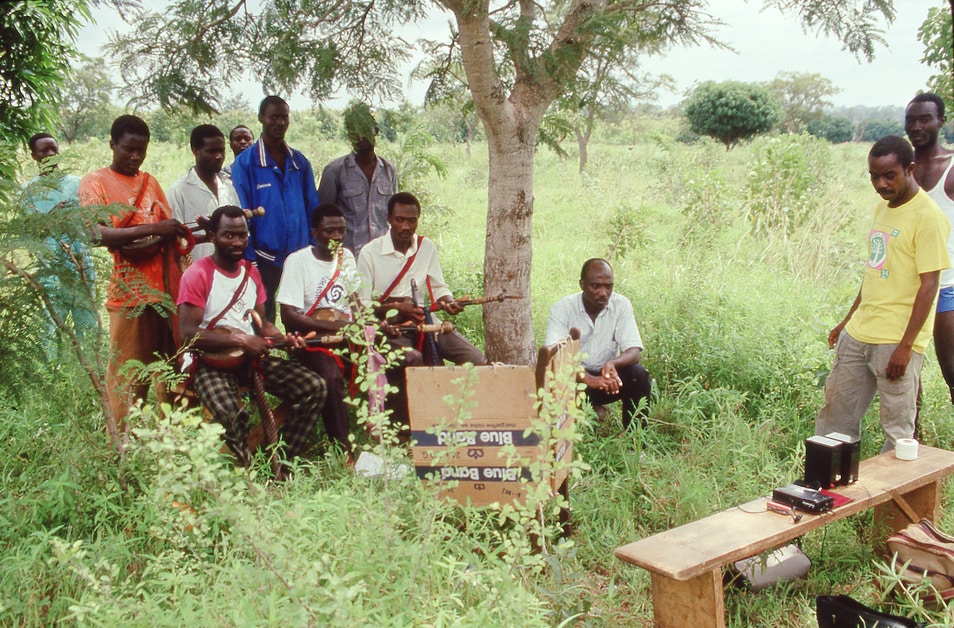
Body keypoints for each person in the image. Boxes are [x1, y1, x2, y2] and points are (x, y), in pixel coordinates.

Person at [815, 135, 951, 451]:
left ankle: (893, 501)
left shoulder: (928, 217)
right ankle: (827, 494)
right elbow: (875, 272)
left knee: (898, 435)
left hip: (896, 340)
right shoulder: (882, 209)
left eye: (889, 175)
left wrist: (905, 347)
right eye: (874, 176)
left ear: (910, 169)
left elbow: (930, 285)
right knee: (835, 423)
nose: (881, 183)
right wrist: (846, 322)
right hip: (860, 333)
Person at [178, 205, 326, 472]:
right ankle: (245, 472)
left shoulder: (251, 272)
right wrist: (241, 341)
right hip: (209, 364)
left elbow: (262, 324)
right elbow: (188, 335)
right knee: (232, 414)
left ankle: (283, 464)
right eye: (228, 235)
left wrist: (282, 338)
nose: (237, 242)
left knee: (313, 387)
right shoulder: (198, 274)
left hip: (249, 360)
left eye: (242, 235)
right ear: (212, 235)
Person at [79, 115, 190, 435]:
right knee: (128, 376)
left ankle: (171, 438)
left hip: (166, 293)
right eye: (128, 149)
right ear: (112, 144)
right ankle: (123, 445)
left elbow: (173, 233)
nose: (135, 157)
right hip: (129, 295)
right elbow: (96, 234)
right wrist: (155, 229)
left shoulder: (151, 182)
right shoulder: (95, 181)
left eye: (141, 151)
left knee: (171, 369)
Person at [357, 192, 486, 366]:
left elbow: (439, 286)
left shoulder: (426, 247)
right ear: (389, 219)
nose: (405, 227)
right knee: (415, 362)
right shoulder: (370, 253)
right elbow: (362, 305)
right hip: (388, 327)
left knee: (475, 359)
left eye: (412, 221)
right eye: (399, 220)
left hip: (424, 321)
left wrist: (449, 301)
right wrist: (397, 308)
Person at [277, 203, 359, 451]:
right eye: (329, 231)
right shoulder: (298, 261)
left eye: (341, 231)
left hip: (346, 338)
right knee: (331, 376)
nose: (336, 237)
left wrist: (360, 326)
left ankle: (389, 434)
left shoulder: (348, 258)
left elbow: (355, 303)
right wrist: (330, 326)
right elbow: (289, 316)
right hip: (311, 341)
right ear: (314, 232)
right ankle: (342, 447)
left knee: (387, 360)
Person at [230, 96, 320, 321]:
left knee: (303, 313)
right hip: (264, 257)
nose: (279, 123)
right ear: (261, 119)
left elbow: (312, 208)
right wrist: (250, 258)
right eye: (274, 117)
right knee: (263, 313)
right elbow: (242, 214)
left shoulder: (299, 162)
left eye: (284, 117)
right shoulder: (245, 163)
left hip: (300, 254)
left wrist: (314, 248)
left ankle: (301, 356)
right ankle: (265, 355)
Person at [545, 258, 651, 430]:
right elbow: (554, 355)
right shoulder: (563, 308)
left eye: (608, 286)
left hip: (607, 381)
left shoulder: (621, 305)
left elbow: (634, 350)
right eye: (596, 286)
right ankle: (561, 441)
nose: (603, 292)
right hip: (574, 382)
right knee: (553, 377)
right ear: (582, 285)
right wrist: (588, 379)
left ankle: (636, 444)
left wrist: (613, 364)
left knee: (638, 375)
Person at [24, 132, 98, 353]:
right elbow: (29, 232)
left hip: (80, 263)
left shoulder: (78, 183)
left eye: (53, 149)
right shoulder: (29, 191)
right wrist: (51, 219)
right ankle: (53, 372)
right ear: (33, 156)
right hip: (50, 268)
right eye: (43, 150)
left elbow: (92, 221)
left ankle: (88, 371)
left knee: (87, 319)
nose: (50, 154)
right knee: (52, 322)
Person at [905, 92, 954, 404]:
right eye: (911, 120)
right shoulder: (902, 168)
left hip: (947, 283)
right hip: (905, 285)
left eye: (925, 119)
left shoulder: (951, 167)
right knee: (907, 370)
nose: (917, 126)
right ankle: (911, 442)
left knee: (951, 367)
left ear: (941, 121)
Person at [318, 102, 397, 256]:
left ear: (376, 131)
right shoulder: (335, 171)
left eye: (365, 129)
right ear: (348, 135)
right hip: (348, 257)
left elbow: (393, 215)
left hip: (382, 255)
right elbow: (322, 219)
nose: (360, 136)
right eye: (354, 132)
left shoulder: (388, 170)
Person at [167, 124, 240, 261]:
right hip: (194, 274)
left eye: (222, 151)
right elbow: (174, 241)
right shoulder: (178, 191)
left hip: (227, 272)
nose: (219, 156)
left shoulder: (228, 185)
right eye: (212, 151)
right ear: (195, 151)